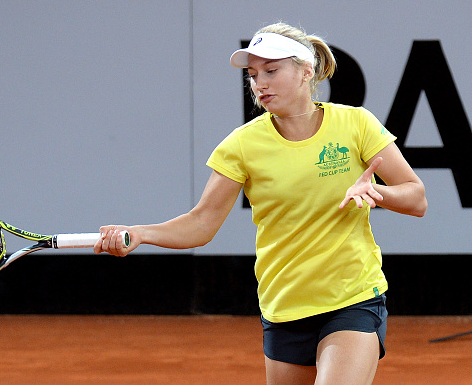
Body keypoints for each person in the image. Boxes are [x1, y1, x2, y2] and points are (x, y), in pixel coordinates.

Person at [94, 22, 427, 384]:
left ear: (306, 71)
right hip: (284, 308)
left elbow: (417, 197)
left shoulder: (356, 123)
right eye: (253, 75)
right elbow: (202, 223)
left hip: (353, 298)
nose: (259, 84)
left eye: (271, 70)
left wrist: (378, 193)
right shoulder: (242, 145)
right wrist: (140, 233)